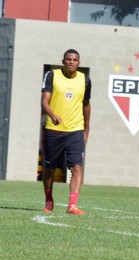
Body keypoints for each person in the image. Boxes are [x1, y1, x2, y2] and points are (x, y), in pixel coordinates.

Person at [41, 49, 91, 215]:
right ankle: (49, 199)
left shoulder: (85, 80)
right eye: (68, 59)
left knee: (77, 167)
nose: (71, 62)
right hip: (53, 130)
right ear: (63, 61)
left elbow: (86, 105)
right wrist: (52, 115)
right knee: (49, 169)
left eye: (74, 60)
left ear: (79, 62)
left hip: (75, 130)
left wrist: (86, 129)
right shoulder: (52, 76)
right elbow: (44, 101)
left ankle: (72, 205)